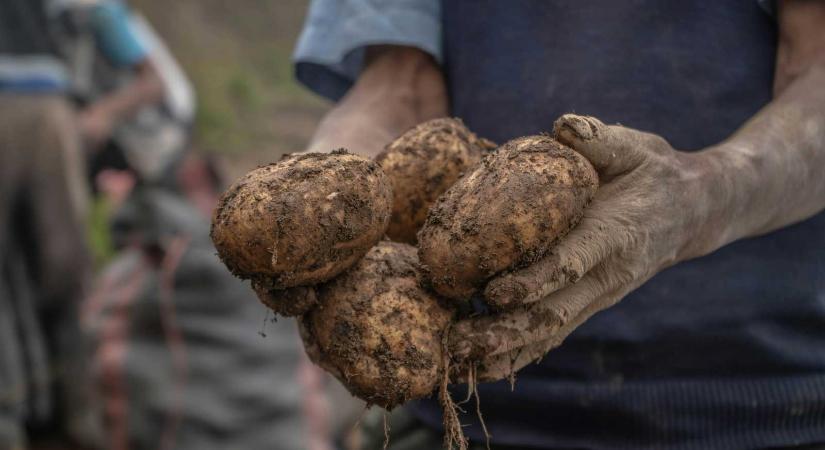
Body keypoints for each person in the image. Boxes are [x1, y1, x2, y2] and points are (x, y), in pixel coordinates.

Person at [278, 1, 825, 449]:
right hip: (468, 408)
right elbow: (399, 85)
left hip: (757, 400)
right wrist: (319, 196)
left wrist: (704, 192)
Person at [0, 0, 162, 447]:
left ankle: (82, 412)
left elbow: (153, 80)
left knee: (65, 266)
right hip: (47, 119)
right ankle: (14, 413)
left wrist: (100, 116)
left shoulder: (84, 7)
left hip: (49, 120)